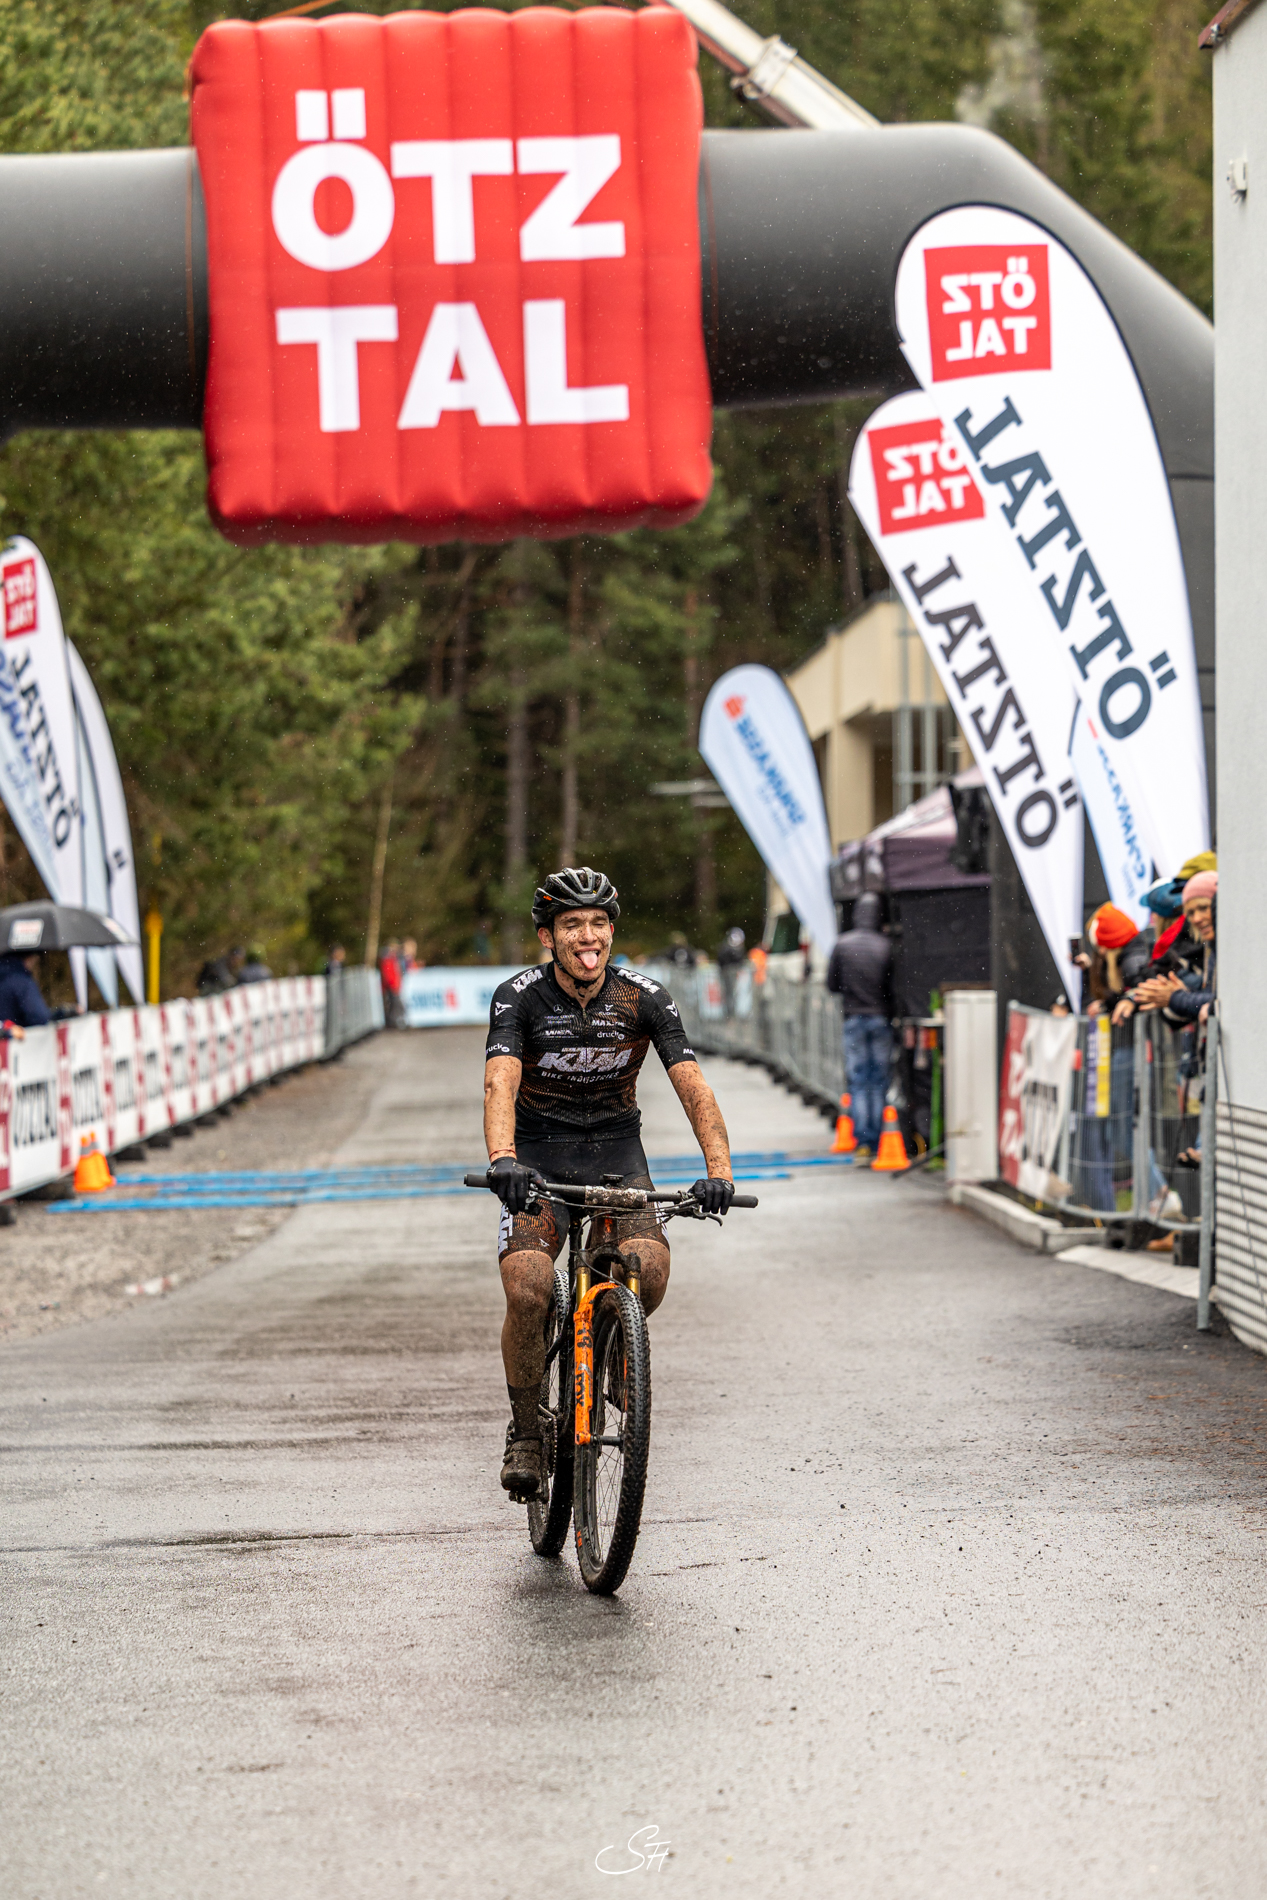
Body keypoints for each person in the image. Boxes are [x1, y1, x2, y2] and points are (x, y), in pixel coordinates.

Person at [483, 866, 736, 1503]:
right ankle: (527, 1430)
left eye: (598, 923)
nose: (588, 936)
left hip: (618, 1157)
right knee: (528, 1285)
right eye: (572, 925)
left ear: (612, 932)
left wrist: (719, 1173)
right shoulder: (519, 997)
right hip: (538, 1160)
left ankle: (612, 1347)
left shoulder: (645, 996)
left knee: (649, 1268)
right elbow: (499, 1082)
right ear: (548, 937)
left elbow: (693, 1086)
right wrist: (503, 1159)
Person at [825, 892, 894, 1157]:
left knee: (858, 1079)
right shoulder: (885, 946)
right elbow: (893, 988)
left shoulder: (843, 945)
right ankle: (875, 1137)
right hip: (880, 1017)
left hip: (854, 1017)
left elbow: (832, 984)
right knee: (878, 1080)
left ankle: (863, 1139)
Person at [0, 951, 64, 1028]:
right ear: (30, 958)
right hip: (20, 1033)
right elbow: (39, 1016)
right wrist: (59, 1016)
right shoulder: (22, 979)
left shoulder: (5, 975)